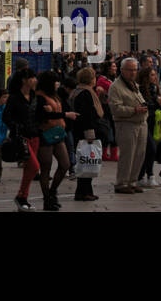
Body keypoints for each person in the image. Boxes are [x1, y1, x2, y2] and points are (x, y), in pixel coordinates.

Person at [32, 70, 76, 209]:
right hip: (45, 134)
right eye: (54, 81)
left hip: (57, 132)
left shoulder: (54, 95)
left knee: (65, 164)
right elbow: (40, 117)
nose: (57, 83)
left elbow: (58, 111)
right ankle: (47, 198)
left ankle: (52, 191)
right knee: (46, 168)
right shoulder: (39, 97)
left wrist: (57, 113)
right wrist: (60, 114)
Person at [107, 58, 148, 194]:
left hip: (141, 123)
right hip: (126, 124)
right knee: (127, 155)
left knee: (139, 154)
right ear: (122, 70)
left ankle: (132, 181)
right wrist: (134, 110)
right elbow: (115, 109)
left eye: (135, 69)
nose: (133, 72)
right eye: (130, 70)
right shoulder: (116, 87)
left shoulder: (133, 84)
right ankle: (122, 183)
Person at [5, 68, 42, 211]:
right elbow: (6, 117)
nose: (35, 80)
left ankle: (22, 197)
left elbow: (37, 114)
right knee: (34, 166)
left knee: (29, 169)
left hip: (35, 136)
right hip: (22, 138)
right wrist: (17, 127)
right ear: (24, 80)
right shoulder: (14, 98)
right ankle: (21, 196)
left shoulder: (34, 96)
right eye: (32, 78)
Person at [68, 68, 102, 201]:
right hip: (85, 132)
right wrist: (90, 134)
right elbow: (87, 115)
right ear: (90, 79)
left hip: (77, 130)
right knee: (87, 161)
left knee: (85, 161)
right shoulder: (86, 93)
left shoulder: (77, 91)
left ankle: (86, 190)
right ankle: (83, 192)